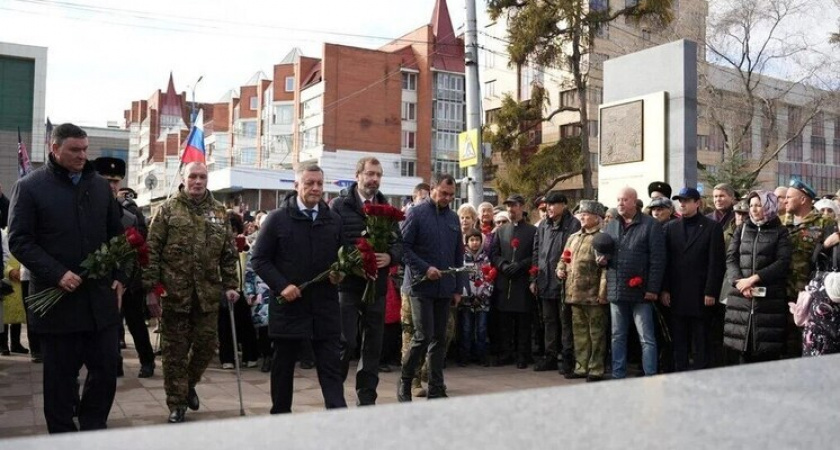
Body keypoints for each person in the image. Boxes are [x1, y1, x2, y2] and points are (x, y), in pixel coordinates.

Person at [9, 123, 125, 433]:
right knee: (60, 381)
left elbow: (117, 235)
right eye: (75, 150)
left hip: (99, 303)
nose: (82, 156)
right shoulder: (30, 187)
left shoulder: (99, 187)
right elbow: (20, 240)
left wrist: (120, 276)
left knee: (106, 371)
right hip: (58, 306)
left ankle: (92, 428)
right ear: (55, 148)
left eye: (85, 149)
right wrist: (57, 273)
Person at [143, 162, 240, 423]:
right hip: (175, 294)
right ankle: (177, 404)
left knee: (207, 346)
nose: (198, 181)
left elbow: (228, 254)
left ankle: (187, 385)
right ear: (184, 179)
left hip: (207, 294)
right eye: (193, 176)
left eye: (202, 177)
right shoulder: (167, 209)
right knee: (174, 353)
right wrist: (151, 289)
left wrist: (231, 285)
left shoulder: (219, 212)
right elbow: (151, 251)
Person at [251, 164, 347, 414]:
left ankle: (339, 418)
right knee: (283, 367)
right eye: (309, 183)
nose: (315, 188)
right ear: (296, 186)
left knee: (331, 367)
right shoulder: (277, 219)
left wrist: (341, 273)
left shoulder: (333, 220)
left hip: (324, 307)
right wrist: (282, 285)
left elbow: (343, 258)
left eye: (319, 183)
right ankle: (281, 417)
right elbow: (259, 259)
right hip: (289, 307)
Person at [330, 157, 403, 406]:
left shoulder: (386, 207)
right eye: (370, 174)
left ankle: (367, 397)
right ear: (358, 175)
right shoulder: (339, 206)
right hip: (348, 286)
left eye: (378, 175)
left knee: (373, 344)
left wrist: (390, 256)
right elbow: (331, 241)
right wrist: (351, 262)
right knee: (345, 341)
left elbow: (399, 243)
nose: (374, 179)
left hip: (377, 286)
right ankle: (334, 395)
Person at [398, 174, 464, 401]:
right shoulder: (416, 213)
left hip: (444, 288)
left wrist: (458, 288)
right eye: (444, 193)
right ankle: (405, 381)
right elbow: (403, 248)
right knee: (422, 336)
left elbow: (458, 254)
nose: (447, 198)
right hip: (420, 286)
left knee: (439, 338)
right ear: (432, 188)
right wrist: (425, 269)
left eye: (451, 195)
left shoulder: (453, 218)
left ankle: (436, 387)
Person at [92, 157, 155, 378]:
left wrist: (127, 277)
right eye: (107, 180)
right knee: (111, 326)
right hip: (100, 278)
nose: (111, 185)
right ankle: (114, 363)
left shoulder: (129, 214)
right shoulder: (87, 208)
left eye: (115, 181)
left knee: (136, 323)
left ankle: (147, 361)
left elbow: (141, 243)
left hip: (130, 280)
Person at [603, 187, 666, 378]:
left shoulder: (650, 225)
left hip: (641, 292)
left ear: (634, 201)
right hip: (617, 289)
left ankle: (650, 375)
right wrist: (602, 259)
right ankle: (618, 374)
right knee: (617, 336)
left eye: (624, 200)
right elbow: (606, 252)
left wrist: (653, 289)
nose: (620, 204)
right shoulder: (612, 225)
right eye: (618, 200)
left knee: (646, 338)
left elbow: (658, 260)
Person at [661, 188, 726, 371]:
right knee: (679, 339)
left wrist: (711, 291)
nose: (682, 204)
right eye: (680, 201)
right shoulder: (670, 228)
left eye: (687, 201)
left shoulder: (712, 227)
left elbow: (716, 263)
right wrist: (665, 289)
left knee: (701, 339)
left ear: (697, 203)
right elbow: (665, 262)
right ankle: (680, 372)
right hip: (677, 293)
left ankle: (700, 372)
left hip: (700, 294)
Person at [724, 190, 791, 364]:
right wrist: (739, 282)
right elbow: (731, 258)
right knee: (742, 353)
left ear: (769, 206)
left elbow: (782, 262)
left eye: (759, 205)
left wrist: (753, 279)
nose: (753, 209)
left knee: (766, 355)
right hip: (741, 299)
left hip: (768, 301)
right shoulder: (742, 229)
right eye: (752, 205)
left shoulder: (780, 231)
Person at [782, 179, 835, 358]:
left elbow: (830, 258)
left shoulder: (825, 223)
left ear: (803, 199)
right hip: (782, 294)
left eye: (789, 197)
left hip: (810, 297)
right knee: (784, 348)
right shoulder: (781, 222)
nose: (785, 201)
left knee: (808, 345)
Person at [557, 200, 608, 381]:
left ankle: (596, 369)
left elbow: (606, 269)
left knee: (596, 334)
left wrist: (602, 293)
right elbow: (563, 258)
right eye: (581, 214)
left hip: (593, 295)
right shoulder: (573, 237)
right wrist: (560, 269)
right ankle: (581, 366)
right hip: (574, 294)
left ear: (596, 217)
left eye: (586, 214)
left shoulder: (601, 238)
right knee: (579, 334)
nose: (582, 217)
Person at [531, 191, 580, 374]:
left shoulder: (573, 224)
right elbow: (536, 252)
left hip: (563, 281)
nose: (549, 208)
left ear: (563, 205)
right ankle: (550, 356)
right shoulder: (543, 225)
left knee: (565, 321)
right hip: (544, 280)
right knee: (548, 320)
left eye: (552, 204)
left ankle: (568, 357)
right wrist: (533, 278)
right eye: (547, 205)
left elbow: (573, 253)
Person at [491, 194, 538, 369]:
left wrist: (521, 265)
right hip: (505, 281)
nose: (511, 209)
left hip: (522, 281)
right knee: (504, 322)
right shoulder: (501, 230)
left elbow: (535, 255)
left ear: (522, 207)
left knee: (523, 322)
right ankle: (505, 353)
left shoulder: (532, 231)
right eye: (508, 206)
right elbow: (494, 254)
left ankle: (522, 355)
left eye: (514, 205)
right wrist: (503, 265)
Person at [400, 182, 435, 398]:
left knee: (438, 334)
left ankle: (427, 374)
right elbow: (403, 250)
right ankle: (410, 380)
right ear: (414, 199)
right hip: (412, 286)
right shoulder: (410, 218)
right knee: (412, 334)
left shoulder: (436, 218)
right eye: (421, 198)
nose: (425, 202)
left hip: (434, 287)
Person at [458, 229, 493, 366]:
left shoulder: (485, 258)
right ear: (466, 242)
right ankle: (464, 356)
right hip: (467, 301)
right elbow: (461, 278)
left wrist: (482, 295)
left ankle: (481, 356)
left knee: (481, 329)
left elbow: (489, 278)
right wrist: (468, 296)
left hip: (482, 301)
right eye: (471, 240)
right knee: (466, 329)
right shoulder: (462, 258)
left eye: (477, 240)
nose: (474, 243)